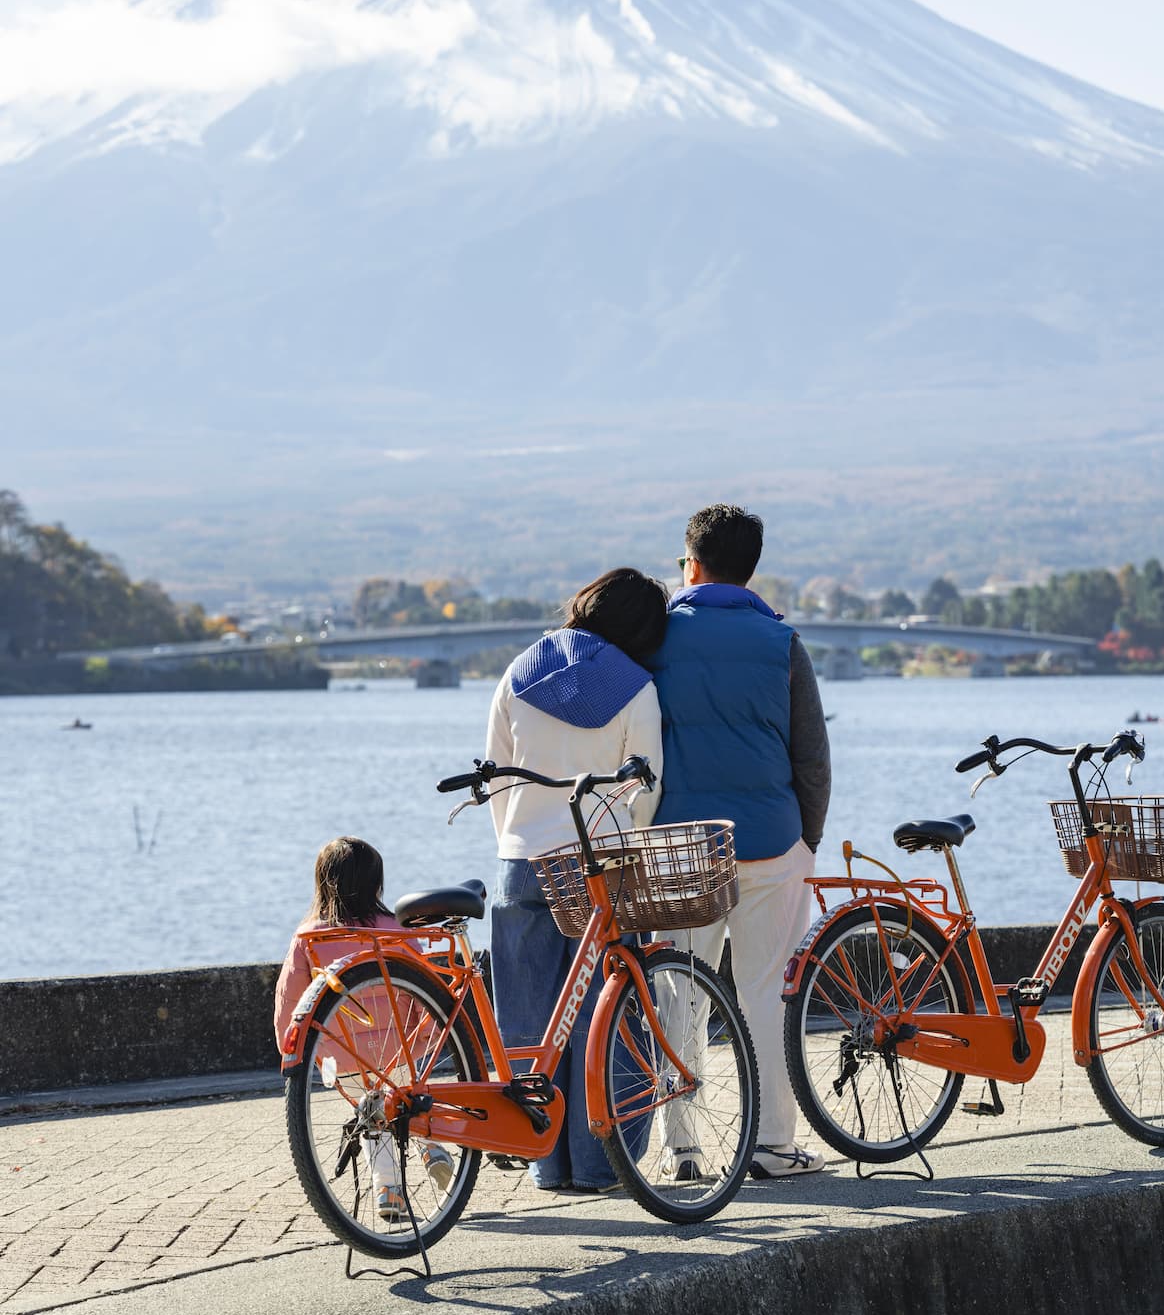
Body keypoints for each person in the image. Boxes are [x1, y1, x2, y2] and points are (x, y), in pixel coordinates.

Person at [647, 504, 831, 1180]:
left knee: (678, 997)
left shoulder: (657, 636)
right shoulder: (782, 643)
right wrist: (805, 839)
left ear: (691, 564)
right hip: (770, 841)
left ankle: (685, 1151)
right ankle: (772, 1147)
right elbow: (811, 758)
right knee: (765, 996)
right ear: (750, 568)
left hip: (678, 850)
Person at [485, 567, 668, 1192]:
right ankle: (601, 1165)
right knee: (605, 1017)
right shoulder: (636, 686)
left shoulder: (518, 670)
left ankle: (546, 1162)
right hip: (600, 867)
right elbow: (646, 787)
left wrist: (515, 842)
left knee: (530, 1019)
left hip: (520, 862)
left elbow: (497, 773)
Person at [273, 836, 453, 1221]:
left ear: (322, 882)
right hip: (399, 1046)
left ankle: (389, 1191)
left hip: (344, 1054)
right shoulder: (395, 929)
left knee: (373, 1115)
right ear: (377, 885)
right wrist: (427, 1034)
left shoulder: (310, 936)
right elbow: (426, 988)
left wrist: (292, 1053)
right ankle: (430, 1145)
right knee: (406, 1099)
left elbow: (290, 1000)